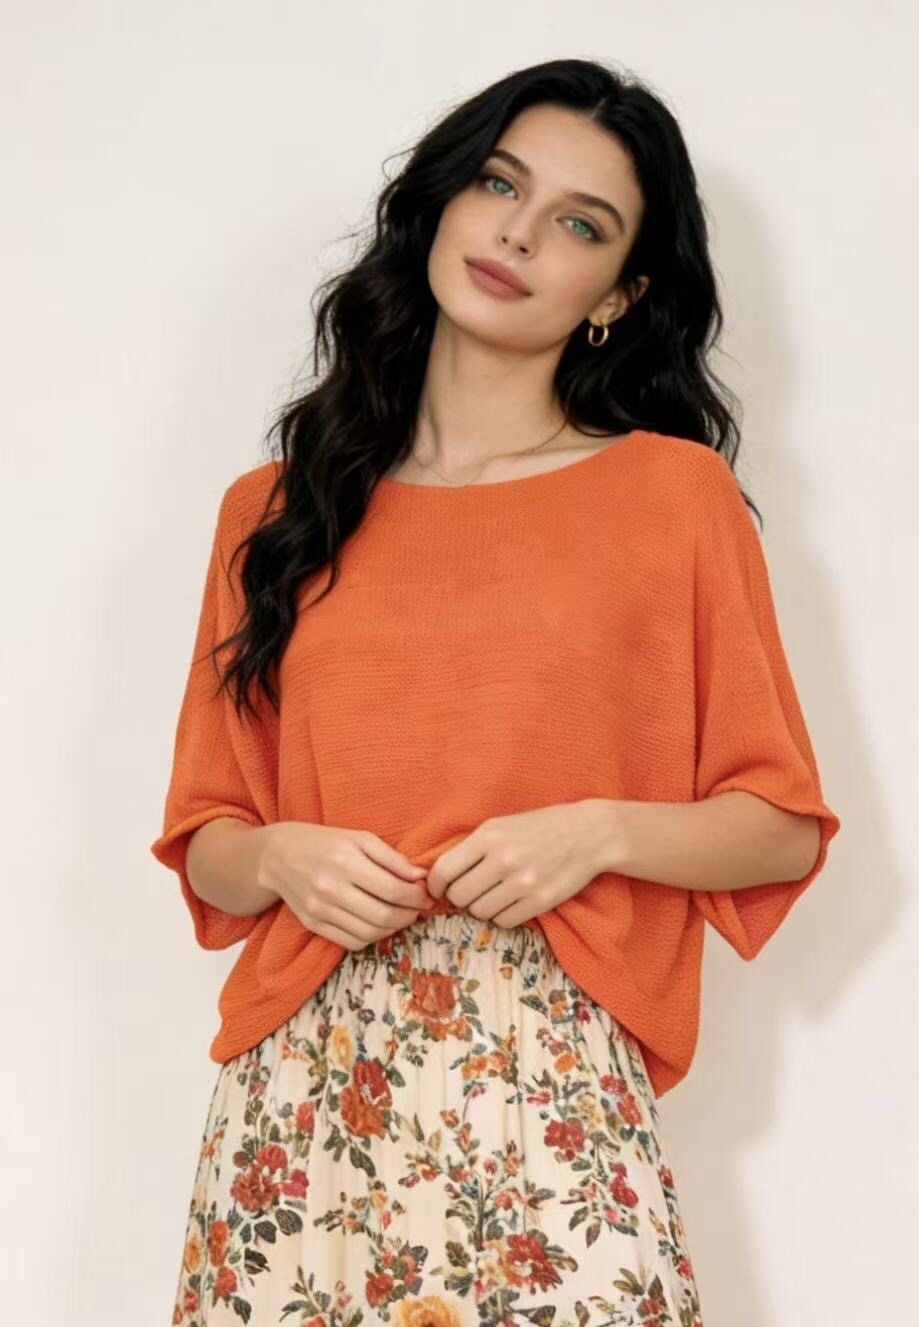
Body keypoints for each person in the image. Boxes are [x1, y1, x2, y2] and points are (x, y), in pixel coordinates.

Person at [151, 57, 840, 1326]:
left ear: (619, 296)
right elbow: (207, 841)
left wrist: (600, 828)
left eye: (580, 222)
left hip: (546, 1068)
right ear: (442, 203)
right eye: (498, 182)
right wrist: (286, 855)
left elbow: (782, 821)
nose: (520, 230)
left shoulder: (670, 499)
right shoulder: (274, 515)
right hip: (306, 1081)